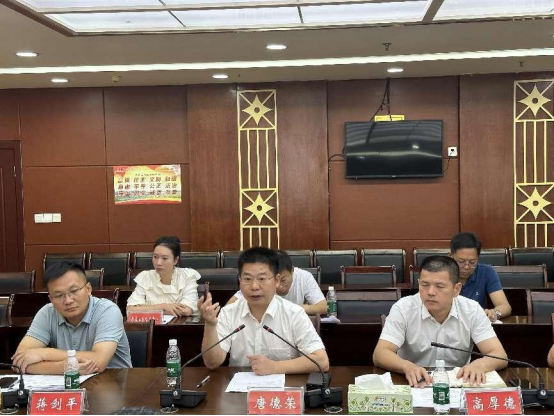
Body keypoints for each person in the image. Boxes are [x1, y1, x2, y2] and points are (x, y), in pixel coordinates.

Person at [373, 256, 507, 388]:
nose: (430, 292)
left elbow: (499, 354)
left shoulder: (472, 310)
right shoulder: (403, 308)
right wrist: (407, 367)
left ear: (456, 289)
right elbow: (380, 353)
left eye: (440, 286)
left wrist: (479, 365)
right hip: (414, 383)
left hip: (458, 384)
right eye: (424, 285)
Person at [198, 246, 329, 375]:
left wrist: (275, 367)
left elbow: (321, 361)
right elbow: (212, 363)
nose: (254, 286)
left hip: (283, 387)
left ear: (277, 281)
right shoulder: (229, 313)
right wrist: (210, 325)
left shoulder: (294, 313)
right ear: (240, 280)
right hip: (239, 387)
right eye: (247, 279)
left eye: (262, 279)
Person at [12, 262, 132, 374]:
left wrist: (44, 353)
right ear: (51, 299)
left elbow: (99, 362)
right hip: (68, 384)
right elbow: (19, 361)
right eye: (59, 295)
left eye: (74, 291)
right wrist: (64, 367)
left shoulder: (108, 310)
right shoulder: (47, 313)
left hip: (112, 381)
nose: (68, 300)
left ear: (88, 289)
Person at [226, 250, 327, 315]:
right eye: (275, 280)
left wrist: (294, 309)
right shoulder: (263, 279)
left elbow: (323, 307)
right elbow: (228, 307)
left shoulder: (304, 277)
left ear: (292, 271)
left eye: (283, 280)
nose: (279, 286)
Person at [127, 236, 200, 317]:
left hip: (181, 324)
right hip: (152, 324)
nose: (158, 263)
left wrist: (148, 310)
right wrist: (163, 307)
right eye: (155, 257)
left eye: (164, 258)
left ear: (175, 260)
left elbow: (186, 310)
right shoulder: (145, 277)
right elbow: (130, 310)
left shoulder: (187, 276)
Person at [449, 232, 512, 322]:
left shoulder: (486, 272)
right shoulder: (440, 273)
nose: (466, 267)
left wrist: (494, 313)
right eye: (461, 261)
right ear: (450, 256)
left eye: (472, 262)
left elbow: (505, 307)